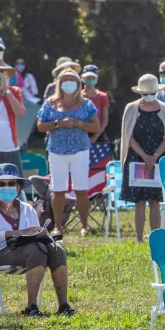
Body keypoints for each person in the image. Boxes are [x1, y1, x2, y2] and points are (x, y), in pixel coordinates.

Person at [0, 164, 74, 317]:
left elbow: (35, 232)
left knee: (57, 250)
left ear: (18, 187)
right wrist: (16, 233)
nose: (6, 187)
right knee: (36, 250)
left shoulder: (27, 209)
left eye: (11, 183)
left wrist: (39, 233)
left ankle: (64, 305)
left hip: (28, 249)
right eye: (1, 183)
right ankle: (31, 307)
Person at [36, 68, 99, 239]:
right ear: (59, 83)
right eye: (65, 80)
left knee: (81, 189)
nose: (69, 83)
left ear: (78, 84)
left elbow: (96, 127)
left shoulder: (86, 104)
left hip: (80, 150)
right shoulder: (50, 102)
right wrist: (57, 123)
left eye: (72, 80)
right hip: (56, 150)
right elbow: (40, 126)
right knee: (58, 189)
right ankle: (57, 227)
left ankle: (84, 226)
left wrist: (79, 123)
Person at [119, 74, 165, 242]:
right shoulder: (131, 108)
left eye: (152, 93)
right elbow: (128, 136)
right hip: (136, 158)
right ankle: (139, 238)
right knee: (139, 201)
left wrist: (155, 156)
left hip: (158, 159)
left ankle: (155, 237)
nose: (149, 96)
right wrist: (144, 156)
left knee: (155, 200)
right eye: (145, 94)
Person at [0, 57, 26, 174]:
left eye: (0, 72)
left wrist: (7, 90)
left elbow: (20, 113)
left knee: (15, 186)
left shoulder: (14, 91)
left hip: (11, 149)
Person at [81, 65, 110, 144]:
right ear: (83, 78)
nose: (90, 80)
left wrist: (94, 137)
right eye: (88, 77)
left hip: (98, 134)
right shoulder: (78, 96)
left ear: (97, 79)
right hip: (80, 133)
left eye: (93, 78)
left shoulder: (103, 96)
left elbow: (104, 121)